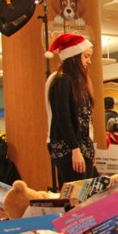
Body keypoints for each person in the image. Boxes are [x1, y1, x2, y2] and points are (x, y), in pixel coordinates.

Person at [45, 33, 96, 186]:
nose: (89, 61)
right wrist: (75, 149)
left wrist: (89, 150)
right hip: (69, 148)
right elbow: (63, 118)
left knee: (87, 193)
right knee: (77, 195)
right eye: (86, 56)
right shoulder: (61, 81)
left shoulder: (78, 83)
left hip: (81, 147)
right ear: (74, 56)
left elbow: (85, 121)